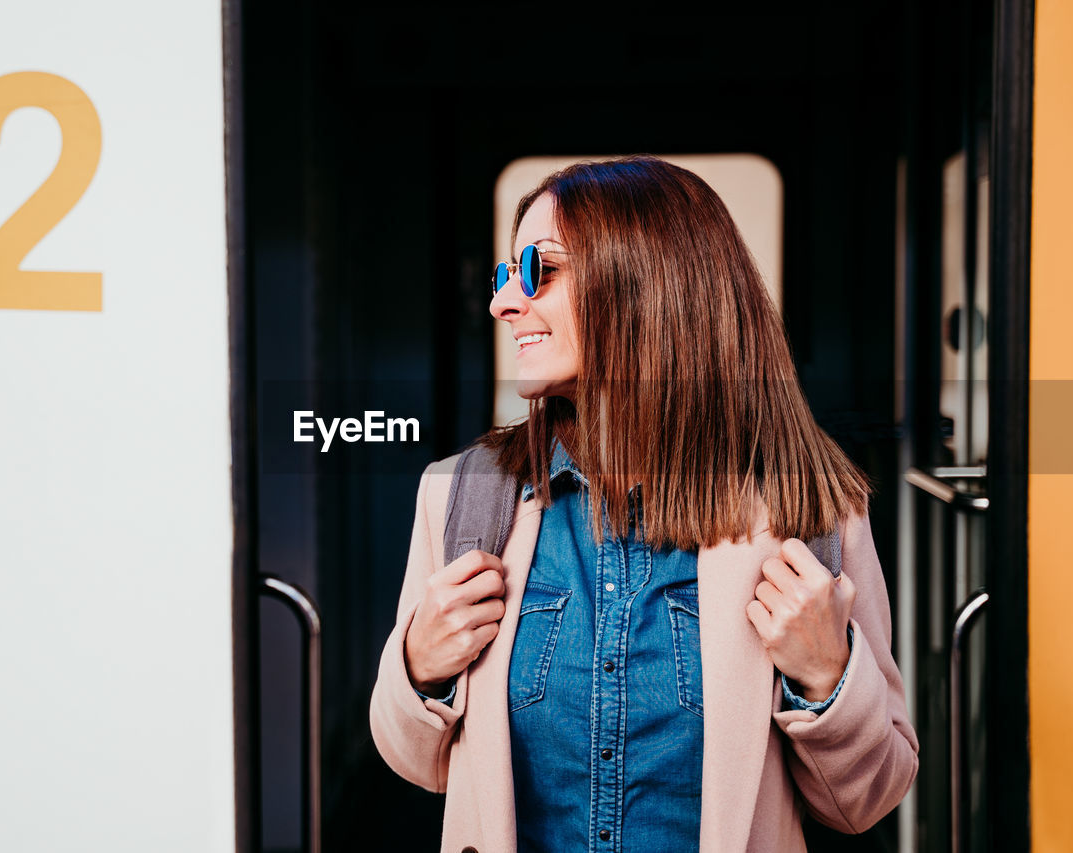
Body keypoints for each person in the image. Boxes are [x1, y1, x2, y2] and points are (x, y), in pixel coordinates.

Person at [370, 156, 918, 852]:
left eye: (538, 269)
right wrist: (419, 666)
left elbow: (867, 800)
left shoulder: (810, 510)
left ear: (646, 281)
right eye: (504, 276)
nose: (503, 303)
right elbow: (416, 761)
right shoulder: (464, 496)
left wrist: (827, 675)